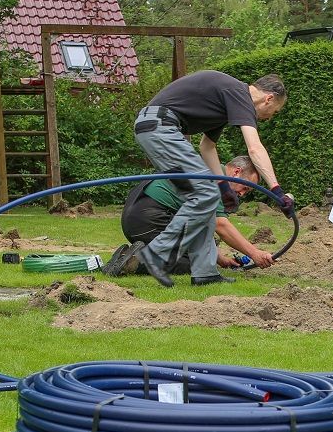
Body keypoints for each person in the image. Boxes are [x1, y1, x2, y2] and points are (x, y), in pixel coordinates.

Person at [117, 70, 296, 287]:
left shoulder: (226, 101)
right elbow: (254, 148)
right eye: (274, 112)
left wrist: (223, 186)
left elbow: (207, 147)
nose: (269, 117)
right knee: (205, 194)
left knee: (205, 197)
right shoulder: (241, 95)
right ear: (268, 98)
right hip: (160, 126)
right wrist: (277, 190)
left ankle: (205, 273)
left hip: (154, 126)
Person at [109, 156, 275, 280]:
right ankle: (136, 260)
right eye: (245, 187)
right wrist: (255, 253)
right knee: (194, 263)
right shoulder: (216, 180)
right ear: (236, 172)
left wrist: (219, 258)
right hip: (150, 218)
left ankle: (131, 254)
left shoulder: (207, 168)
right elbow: (221, 225)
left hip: (137, 214)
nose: (242, 194)